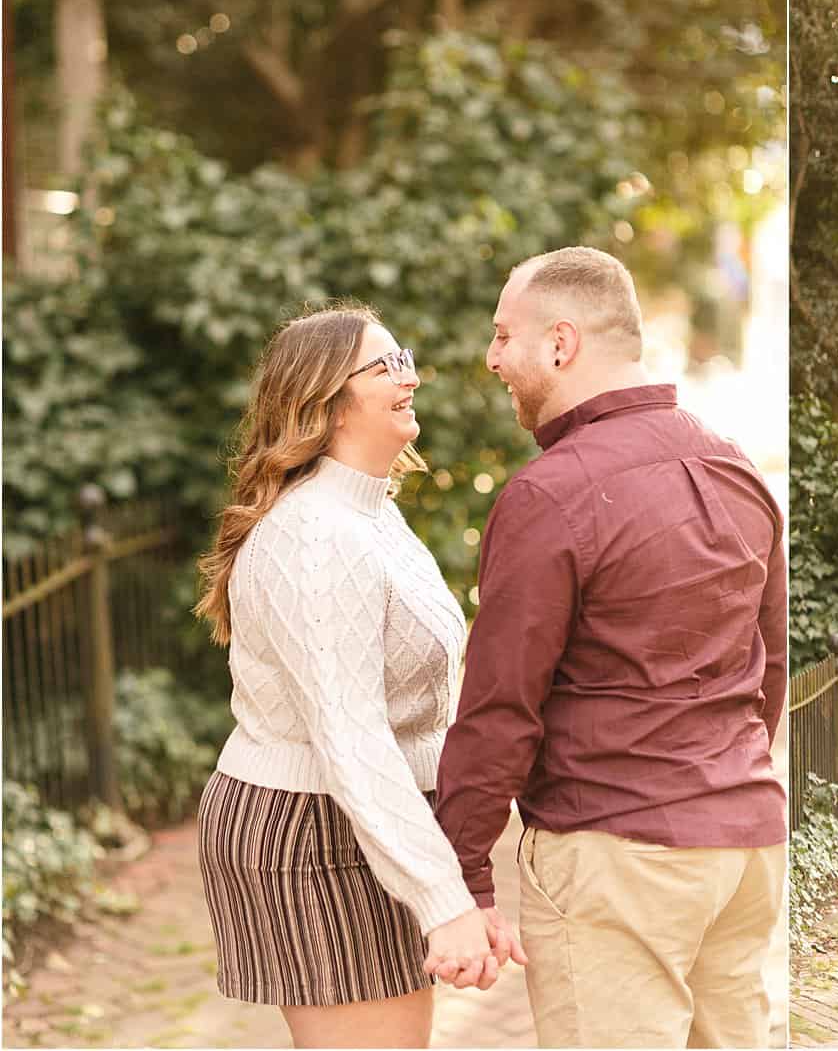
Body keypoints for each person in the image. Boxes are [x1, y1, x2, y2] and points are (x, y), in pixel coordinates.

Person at [433, 246, 788, 1048]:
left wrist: (465, 877)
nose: (492, 359)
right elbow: (768, 668)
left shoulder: (548, 493)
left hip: (617, 852)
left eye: (502, 336)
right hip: (744, 847)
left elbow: (499, 709)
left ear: (559, 344)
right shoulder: (735, 468)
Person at [193, 304, 513, 1050]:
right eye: (384, 365)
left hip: (362, 818)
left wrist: (454, 870)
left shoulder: (368, 514)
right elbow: (351, 735)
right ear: (327, 401)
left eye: (404, 356)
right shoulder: (316, 535)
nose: (410, 376)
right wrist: (444, 899)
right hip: (311, 830)